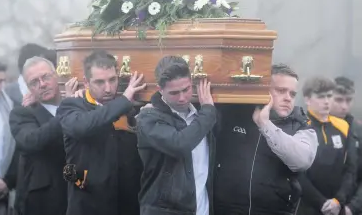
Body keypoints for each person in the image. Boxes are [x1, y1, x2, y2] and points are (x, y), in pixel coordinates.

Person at [214, 63, 318, 215]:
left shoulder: (302, 124)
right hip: (226, 210)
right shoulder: (235, 112)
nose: (288, 98)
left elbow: (301, 161)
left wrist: (264, 124)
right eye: (281, 91)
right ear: (264, 90)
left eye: (292, 94)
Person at [56, 50, 145, 215]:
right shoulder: (71, 106)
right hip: (88, 205)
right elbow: (83, 126)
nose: (108, 88)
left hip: (126, 205)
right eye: (99, 82)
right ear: (86, 82)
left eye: (112, 79)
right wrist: (124, 100)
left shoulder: (130, 106)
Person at [136, 55, 218, 215]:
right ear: (160, 90)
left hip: (202, 209)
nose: (182, 98)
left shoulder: (201, 116)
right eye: (174, 93)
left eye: (186, 89)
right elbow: (180, 144)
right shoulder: (148, 118)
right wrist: (208, 111)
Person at [9, 57, 68, 215]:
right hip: (43, 201)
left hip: (79, 193)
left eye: (46, 77)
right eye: (34, 82)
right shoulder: (22, 113)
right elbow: (31, 141)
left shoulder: (76, 103)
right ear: (29, 88)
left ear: (56, 75)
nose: (42, 84)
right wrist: (67, 110)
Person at [297, 76, 357, 215]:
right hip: (307, 207)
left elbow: (350, 169)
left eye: (329, 96)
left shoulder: (343, 126)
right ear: (307, 99)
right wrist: (321, 202)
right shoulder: (298, 126)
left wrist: (338, 201)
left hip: (337, 207)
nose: (326, 101)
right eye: (320, 96)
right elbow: (297, 174)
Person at [0, 59, 19, 215]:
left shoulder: (12, 106)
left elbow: (18, 147)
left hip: (5, 182)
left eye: (2, 81)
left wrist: (7, 181)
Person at [330, 76, 361, 215]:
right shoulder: (312, 127)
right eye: (339, 100)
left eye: (348, 100)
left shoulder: (358, 131)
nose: (344, 106)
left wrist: (352, 208)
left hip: (350, 207)